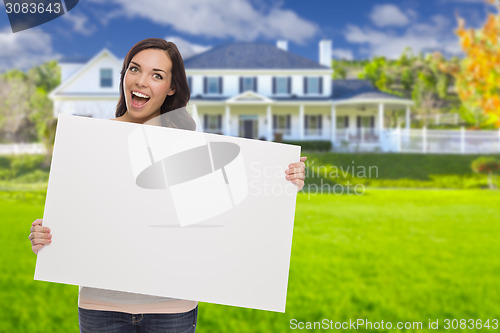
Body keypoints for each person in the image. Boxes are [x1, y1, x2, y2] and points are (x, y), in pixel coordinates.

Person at [29, 38, 307, 333]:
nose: (142, 81)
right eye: (135, 69)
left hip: (171, 310)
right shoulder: (88, 142)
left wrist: (283, 179)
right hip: (101, 307)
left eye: (157, 75)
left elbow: (229, 208)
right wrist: (45, 239)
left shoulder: (191, 147)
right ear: (124, 74)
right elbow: (75, 216)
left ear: (172, 87)